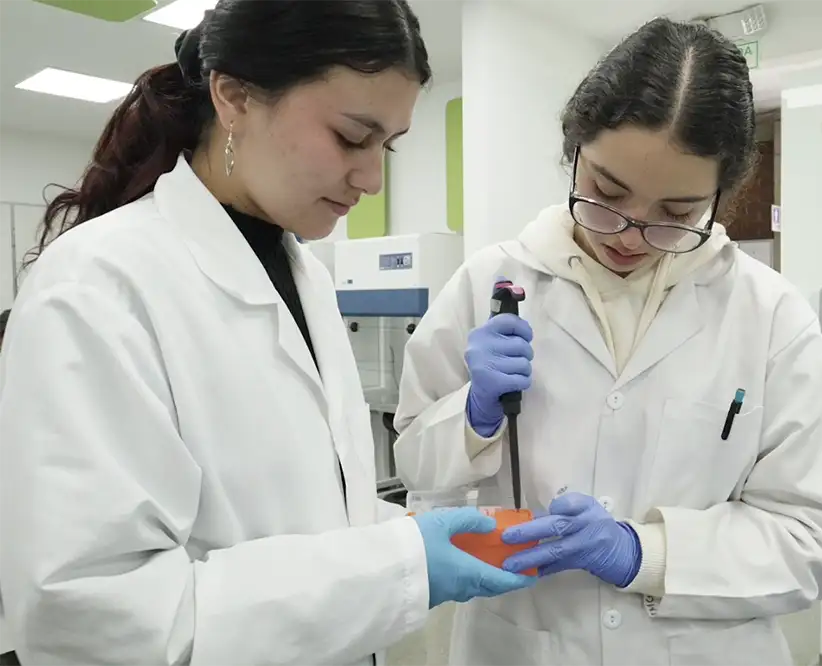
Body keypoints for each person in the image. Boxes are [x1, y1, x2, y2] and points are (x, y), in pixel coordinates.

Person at [0, 2, 534, 665]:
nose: (372, 178)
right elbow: (90, 618)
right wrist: (399, 564)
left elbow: (307, 510)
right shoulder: (98, 287)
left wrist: (418, 535)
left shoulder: (301, 272)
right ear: (233, 96)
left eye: (388, 146)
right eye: (351, 136)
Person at [393, 16, 822, 666]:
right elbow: (418, 470)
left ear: (719, 194)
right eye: (607, 193)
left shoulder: (770, 315)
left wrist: (648, 553)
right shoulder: (487, 283)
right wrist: (468, 419)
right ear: (575, 147)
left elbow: (816, 541)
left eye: (676, 214)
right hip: (522, 644)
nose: (630, 236)